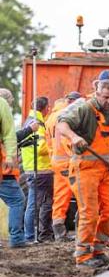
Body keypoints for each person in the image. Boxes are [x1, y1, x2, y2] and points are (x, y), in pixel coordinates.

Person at [57, 78, 109, 268]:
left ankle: (98, 250)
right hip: (84, 169)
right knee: (89, 213)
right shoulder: (84, 108)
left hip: (104, 169)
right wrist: (75, 137)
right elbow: (62, 124)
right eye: (106, 97)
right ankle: (83, 256)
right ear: (97, 93)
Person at [46, 92, 81, 241]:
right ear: (72, 102)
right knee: (83, 196)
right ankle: (83, 232)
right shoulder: (66, 117)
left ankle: (59, 232)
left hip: (56, 161)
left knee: (60, 196)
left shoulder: (50, 118)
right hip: (68, 161)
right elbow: (68, 141)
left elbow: (49, 143)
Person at [21, 96, 53, 243]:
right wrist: (54, 146)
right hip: (39, 168)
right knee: (34, 204)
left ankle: (40, 234)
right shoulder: (38, 124)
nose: (50, 109)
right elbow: (40, 148)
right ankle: (29, 236)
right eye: (48, 107)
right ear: (44, 108)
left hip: (33, 167)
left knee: (38, 202)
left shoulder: (28, 121)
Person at [0, 88, 27, 248]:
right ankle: (16, 238)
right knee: (17, 200)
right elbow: (10, 135)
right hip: (5, 170)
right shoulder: (2, 105)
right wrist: (10, 156)